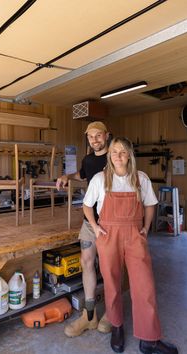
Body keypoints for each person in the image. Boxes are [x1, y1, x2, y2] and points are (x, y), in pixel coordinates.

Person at [83, 136, 178, 354]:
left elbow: (150, 205)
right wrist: (96, 229)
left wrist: (145, 228)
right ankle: (117, 327)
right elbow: (87, 206)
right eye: (114, 151)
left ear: (129, 155)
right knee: (112, 285)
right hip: (109, 235)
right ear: (110, 155)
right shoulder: (100, 179)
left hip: (135, 235)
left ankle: (149, 340)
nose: (118, 156)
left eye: (123, 152)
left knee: (144, 286)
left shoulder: (140, 178)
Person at [56, 121, 111, 337]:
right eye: (91, 137)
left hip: (112, 222)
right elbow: (82, 174)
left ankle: (111, 314)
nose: (94, 140)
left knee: (109, 267)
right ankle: (90, 317)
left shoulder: (115, 155)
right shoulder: (88, 159)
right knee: (86, 262)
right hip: (91, 220)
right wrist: (66, 176)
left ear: (106, 136)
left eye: (98, 136)